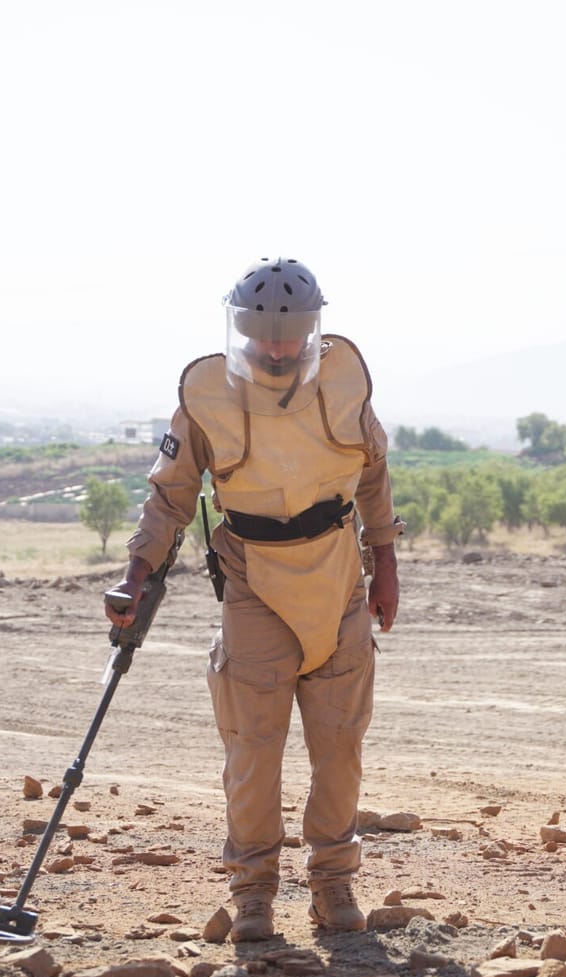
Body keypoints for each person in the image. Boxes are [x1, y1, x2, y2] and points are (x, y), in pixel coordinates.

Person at [106, 258, 400, 942]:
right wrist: (136, 573)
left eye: (290, 334)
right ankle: (254, 895)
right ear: (239, 328)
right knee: (253, 750)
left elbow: (373, 473)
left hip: (336, 578)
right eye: (263, 334)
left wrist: (384, 563)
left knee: (340, 746)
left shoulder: (344, 378)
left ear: (312, 327)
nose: (276, 347)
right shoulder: (208, 393)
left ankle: (333, 885)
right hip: (253, 584)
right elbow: (170, 497)